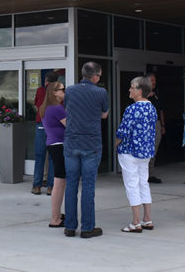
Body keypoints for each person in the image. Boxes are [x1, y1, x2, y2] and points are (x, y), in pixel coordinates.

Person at [63, 61, 109, 239]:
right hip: (91, 144)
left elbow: (67, 109)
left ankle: (70, 227)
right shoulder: (100, 92)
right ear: (95, 76)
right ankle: (88, 228)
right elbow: (104, 114)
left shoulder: (70, 90)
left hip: (72, 142)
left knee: (71, 185)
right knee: (88, 186)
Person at [116, 76, 156, 233]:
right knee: (143, 182)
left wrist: (115, 144)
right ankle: (147, 218)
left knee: (132, 184)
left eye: (132, 87)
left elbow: (123, 131)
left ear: (139, 90)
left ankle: (136, 221)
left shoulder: (132, 109)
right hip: (145, 151)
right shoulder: (151, 107)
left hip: (130, 151)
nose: (129, 90)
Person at [40, 81, 67, 228]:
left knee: (59, 181)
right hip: (59, 146)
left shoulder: (46, 108)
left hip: (52, 144)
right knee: (59, 182)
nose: (64, 92)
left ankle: (56, 214)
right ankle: (55, 218)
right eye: (62, 90)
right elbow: (70, 125)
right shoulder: (57, 108)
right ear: (54, 92)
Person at [32, 71, 59, 195]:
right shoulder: (59, 92)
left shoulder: (40, 91)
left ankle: (36, 186)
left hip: (41, 125)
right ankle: (50, 187)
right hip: (54, 125)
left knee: (39, 156)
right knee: (53, 157)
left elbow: (36, 105)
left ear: (46, 81)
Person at [146, 72, 165, 183]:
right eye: (151, 80)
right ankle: (143, 175)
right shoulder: (140, 93)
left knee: (153, 149)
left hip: (156, 124)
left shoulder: (157, 94)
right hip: (145, 125)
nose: (154, 82)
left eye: (154, 80)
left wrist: (163, 125)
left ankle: (150, 174)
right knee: (145, 150)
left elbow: (161, 110)